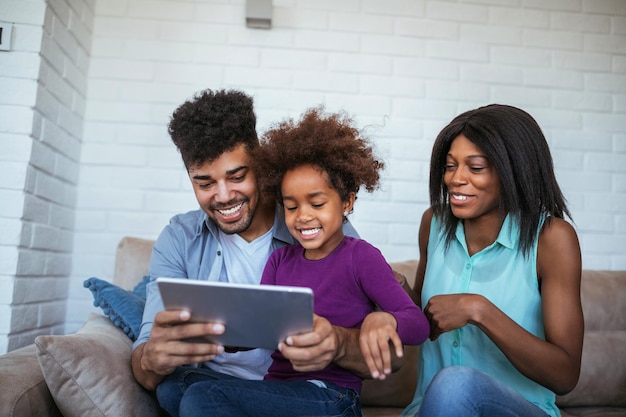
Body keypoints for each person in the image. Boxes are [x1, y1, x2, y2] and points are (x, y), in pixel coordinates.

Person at [130, 89, 396, 417]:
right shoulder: (179, 238)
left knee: (200, 400)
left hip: (305, 391)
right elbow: (145, 369)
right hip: (220, 387)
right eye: (205, 183)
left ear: (260, 161)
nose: (224, 196)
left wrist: (340, 341)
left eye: (237, 176)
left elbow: (389, 353)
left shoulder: (312, 224)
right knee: (173, 388)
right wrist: (150, 359)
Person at [176, 107, 430, 417]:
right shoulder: (281, 260)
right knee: (178, 385)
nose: (304, 216)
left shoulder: (360, 256)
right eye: (291, 206)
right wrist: (228, 334)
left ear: (347, 201)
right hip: (279, 391)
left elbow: (418, 324)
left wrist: (386, 319)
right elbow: (262, 328)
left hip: (332, 397)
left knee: (203, 396)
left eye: (317, 203)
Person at [400, 104, 583, 417]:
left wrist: (478, 309)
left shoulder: (552, 239)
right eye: (450, 166)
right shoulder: (434, 223)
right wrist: (398, 291)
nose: (455, 179)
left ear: (513, 170)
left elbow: (564, 374)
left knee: (456, 384)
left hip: (521, 410)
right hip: (431, 409)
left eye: (475, 167)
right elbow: (430, 320)